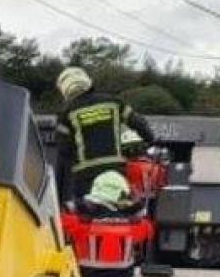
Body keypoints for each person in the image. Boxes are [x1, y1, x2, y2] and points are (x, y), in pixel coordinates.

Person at [54, 67, 155, 201]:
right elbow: (138, 123)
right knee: (118, 209)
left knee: (87, 213)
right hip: (114, 169)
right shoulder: (113, 102)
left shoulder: (67, 113)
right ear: (87, 81)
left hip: (85, 175)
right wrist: (150, 140)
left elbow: (63, 149)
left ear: (64, 89)